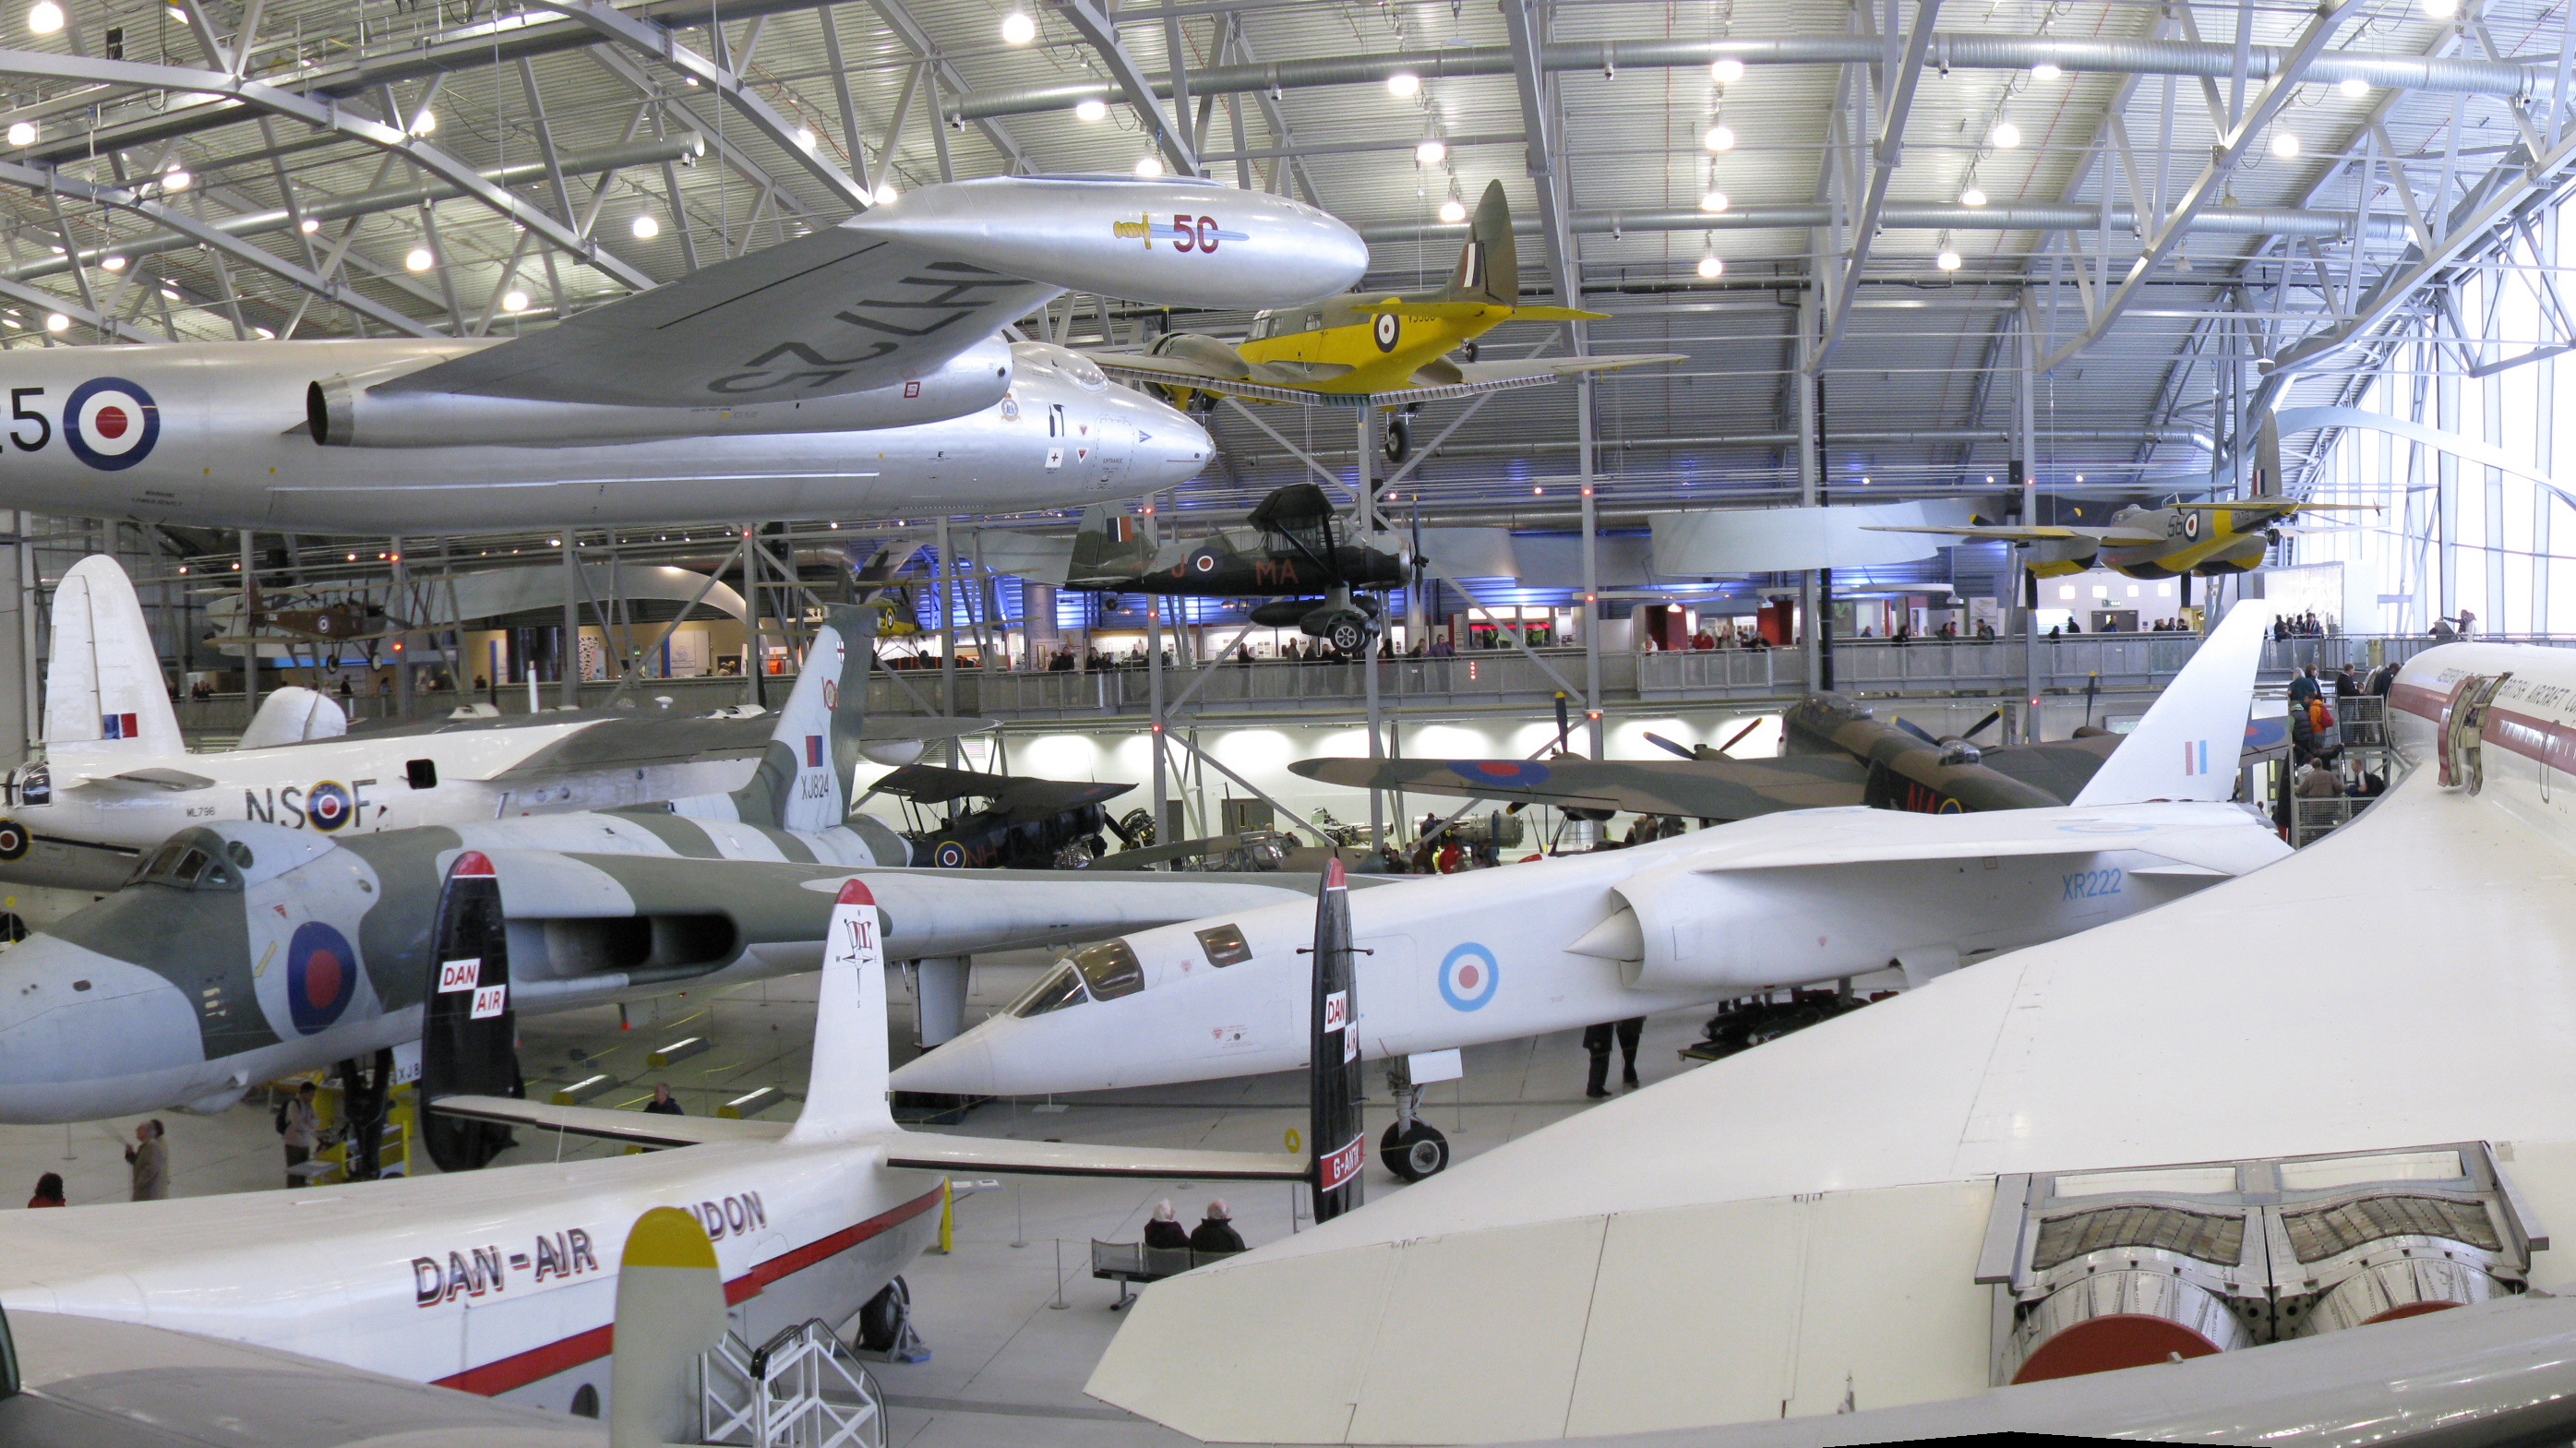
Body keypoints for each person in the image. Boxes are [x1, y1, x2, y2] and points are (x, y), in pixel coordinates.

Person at [277, 1082, 319, 1189]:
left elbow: (317, 1121)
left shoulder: (308, 1105)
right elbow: (298, 1125)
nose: (313, 1097)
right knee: (294, 1172)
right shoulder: (294, 1104)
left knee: (303, 1172)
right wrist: (309, 1125)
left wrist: (307, 1124)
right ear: (304, 1093)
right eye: (311, 1094)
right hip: (293, 1143)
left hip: (304, 1143)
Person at [125, 1119, 167, 1202]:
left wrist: (139, 1183)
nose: (137, 1130)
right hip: (143, 1192)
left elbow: (152, 1167)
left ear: (147, 1131)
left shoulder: (152, 1146)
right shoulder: (146, 1146)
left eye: (140, 1129)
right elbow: (138, 1163)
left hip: (147, 1194)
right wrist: (130, 1154)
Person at [1582, 1022, 1617, 1099]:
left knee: (1604, 1063)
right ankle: (1592, 1087)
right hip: (1596, 1041)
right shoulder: (1598, 1013)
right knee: (1597, 1064)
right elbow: (1594, 1026)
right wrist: (1596, 1041)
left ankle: (1599, 1086)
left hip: (1605, 1040)